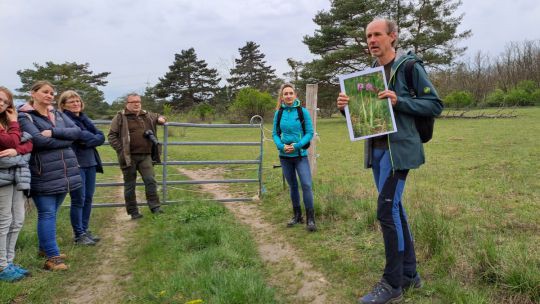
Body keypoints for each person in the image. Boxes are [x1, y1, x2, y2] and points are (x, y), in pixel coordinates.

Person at [336, 19, 443, 304]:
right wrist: (346, 110)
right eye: (368, 35)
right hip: (377, 152)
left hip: (401, 153)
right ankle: (410, 275)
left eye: (377, 34)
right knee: (395, 210)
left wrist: (400, 101)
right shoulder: (369, 74)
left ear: (392, 37)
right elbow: (366, 118)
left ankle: (392, 284)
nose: (371, 39)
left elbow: (435, 105)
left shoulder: (409, 67)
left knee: (386, 211)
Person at [18, 81, 82, 271]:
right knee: (46, 213)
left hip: (65, 172)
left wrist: (53, 132)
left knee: (51, 213)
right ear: (33, 93)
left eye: (52, 93)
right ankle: (52, 259)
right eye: (45, 92)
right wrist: (65, 141)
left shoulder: (58, 114)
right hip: (42, 172)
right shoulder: (25, 117)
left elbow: (76, 132)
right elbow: (38, 141)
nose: (50, 95)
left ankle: (45, 249)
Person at [108, 93, 166, 219]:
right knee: (130, 185)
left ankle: (155, 207)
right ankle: (133, 212)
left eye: (138, 101)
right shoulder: (120, 117)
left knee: (150, 180)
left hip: (146, 156)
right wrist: (121, 150)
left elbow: (160, 116)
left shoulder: (147, 115)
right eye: (133, 102)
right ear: (127, 104)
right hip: (128, 157)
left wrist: (162, 119)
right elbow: (111, 136)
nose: (136, 104)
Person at [58, 90, 104, 246]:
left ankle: (85, 230)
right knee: (79, 199)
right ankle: (79, 234)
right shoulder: (64, 120)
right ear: (63, 105)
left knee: (88, 198)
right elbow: (80, 137)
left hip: (90, 162)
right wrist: (93, 138)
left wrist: (92, 139)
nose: (76, 104)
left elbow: (100, 136)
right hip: (76, 163)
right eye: (71, 102)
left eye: (77, 101)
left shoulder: (84, 119)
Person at [272, 83, 316, 232]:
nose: (288, 96)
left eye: (291, 93)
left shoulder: (302, 112)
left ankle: (310, 218)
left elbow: (309, 133)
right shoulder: (278, 114)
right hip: (284, 156)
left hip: (300, 155)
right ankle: (297, 215)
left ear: (295, 95)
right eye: (286, 94)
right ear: (282, 97)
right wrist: (281, 146)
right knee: (293, 186)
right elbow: (275, 134)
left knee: (306, 185)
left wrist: (297, 145)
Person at [0, 87, 33, 281]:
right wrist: (14, 123)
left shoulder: (7, 123)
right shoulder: (11, 124)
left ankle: (9, 261)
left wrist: (15, 152)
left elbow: (28, 142)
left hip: (15, 176)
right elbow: (11, 141)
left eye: (4, 101)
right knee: (3, 221)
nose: (1, 103)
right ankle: (2, 266)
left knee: (17, 219)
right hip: (2, 180)